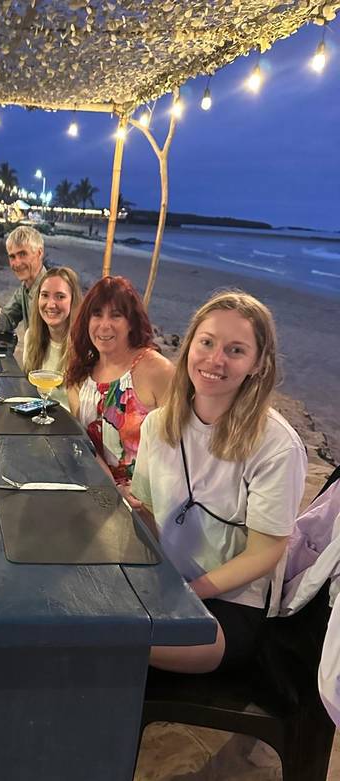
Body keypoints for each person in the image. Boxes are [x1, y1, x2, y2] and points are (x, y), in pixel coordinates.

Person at [131, 290, 307, 674]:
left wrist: (190, 593)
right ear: (190, 344)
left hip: (231, 607)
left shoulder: (275, 446)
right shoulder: (157, 425)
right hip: (166, 580)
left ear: (258, 364)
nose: (215, 360)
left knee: (111, 642)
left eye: (236, 350)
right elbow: (144, 511)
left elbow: (265, 552)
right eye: (207, 342)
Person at [66, 276, 174, 487]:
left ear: (132, 323)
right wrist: (113, 489)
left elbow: (178, 449)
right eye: (97, 315)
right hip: (98, 491)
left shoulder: (157, 370)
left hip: (148, 503)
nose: (104, 325)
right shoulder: (80, 374)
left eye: (116, 316)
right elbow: (86, 445)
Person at [22, 267, 82, 410]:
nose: (51, 304)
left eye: (60, 296)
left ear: (73, 301)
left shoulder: (83, 346)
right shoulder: (31, 336)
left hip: (70, 428)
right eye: (45, 295)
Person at [0, 225, 46, 337]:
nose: (17, 263)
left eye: (23, 254)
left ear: (39, 253)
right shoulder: (25, 288)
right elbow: (8, 320)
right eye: (12, 257)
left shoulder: (51, 291)